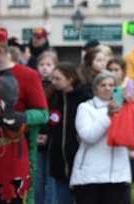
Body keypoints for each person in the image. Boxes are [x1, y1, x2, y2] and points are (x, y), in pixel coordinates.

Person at [0, 27, 48, 204]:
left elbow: (43, 114)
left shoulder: (27, 75)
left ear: (1, 50)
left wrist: (22, 117)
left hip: (12, 152)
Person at [70, 71, 130, 204]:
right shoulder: (85, 107)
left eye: (111, 85)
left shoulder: (125, 107)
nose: (108, 88)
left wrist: (130, 109)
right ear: (95, 88)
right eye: (103, 85)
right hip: (90, 177)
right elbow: (88, 136)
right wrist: (108, 116)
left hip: (118, 175)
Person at [47, 63, 90, 204]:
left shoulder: (85, 97)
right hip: (59, 160)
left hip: (79, 161)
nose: (53, 82)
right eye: (52, 78)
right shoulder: (53, 96)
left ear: (70, 79)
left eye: (57, 79)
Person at [35, 51, 59, 204]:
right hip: (35, 136)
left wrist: (49, 133)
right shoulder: (34, 84)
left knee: (51, 179)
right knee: (37, 179)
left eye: (49, 65)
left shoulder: (57, 87)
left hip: (52, 137)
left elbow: (57, 114)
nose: (45, 68)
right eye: (42, 65)